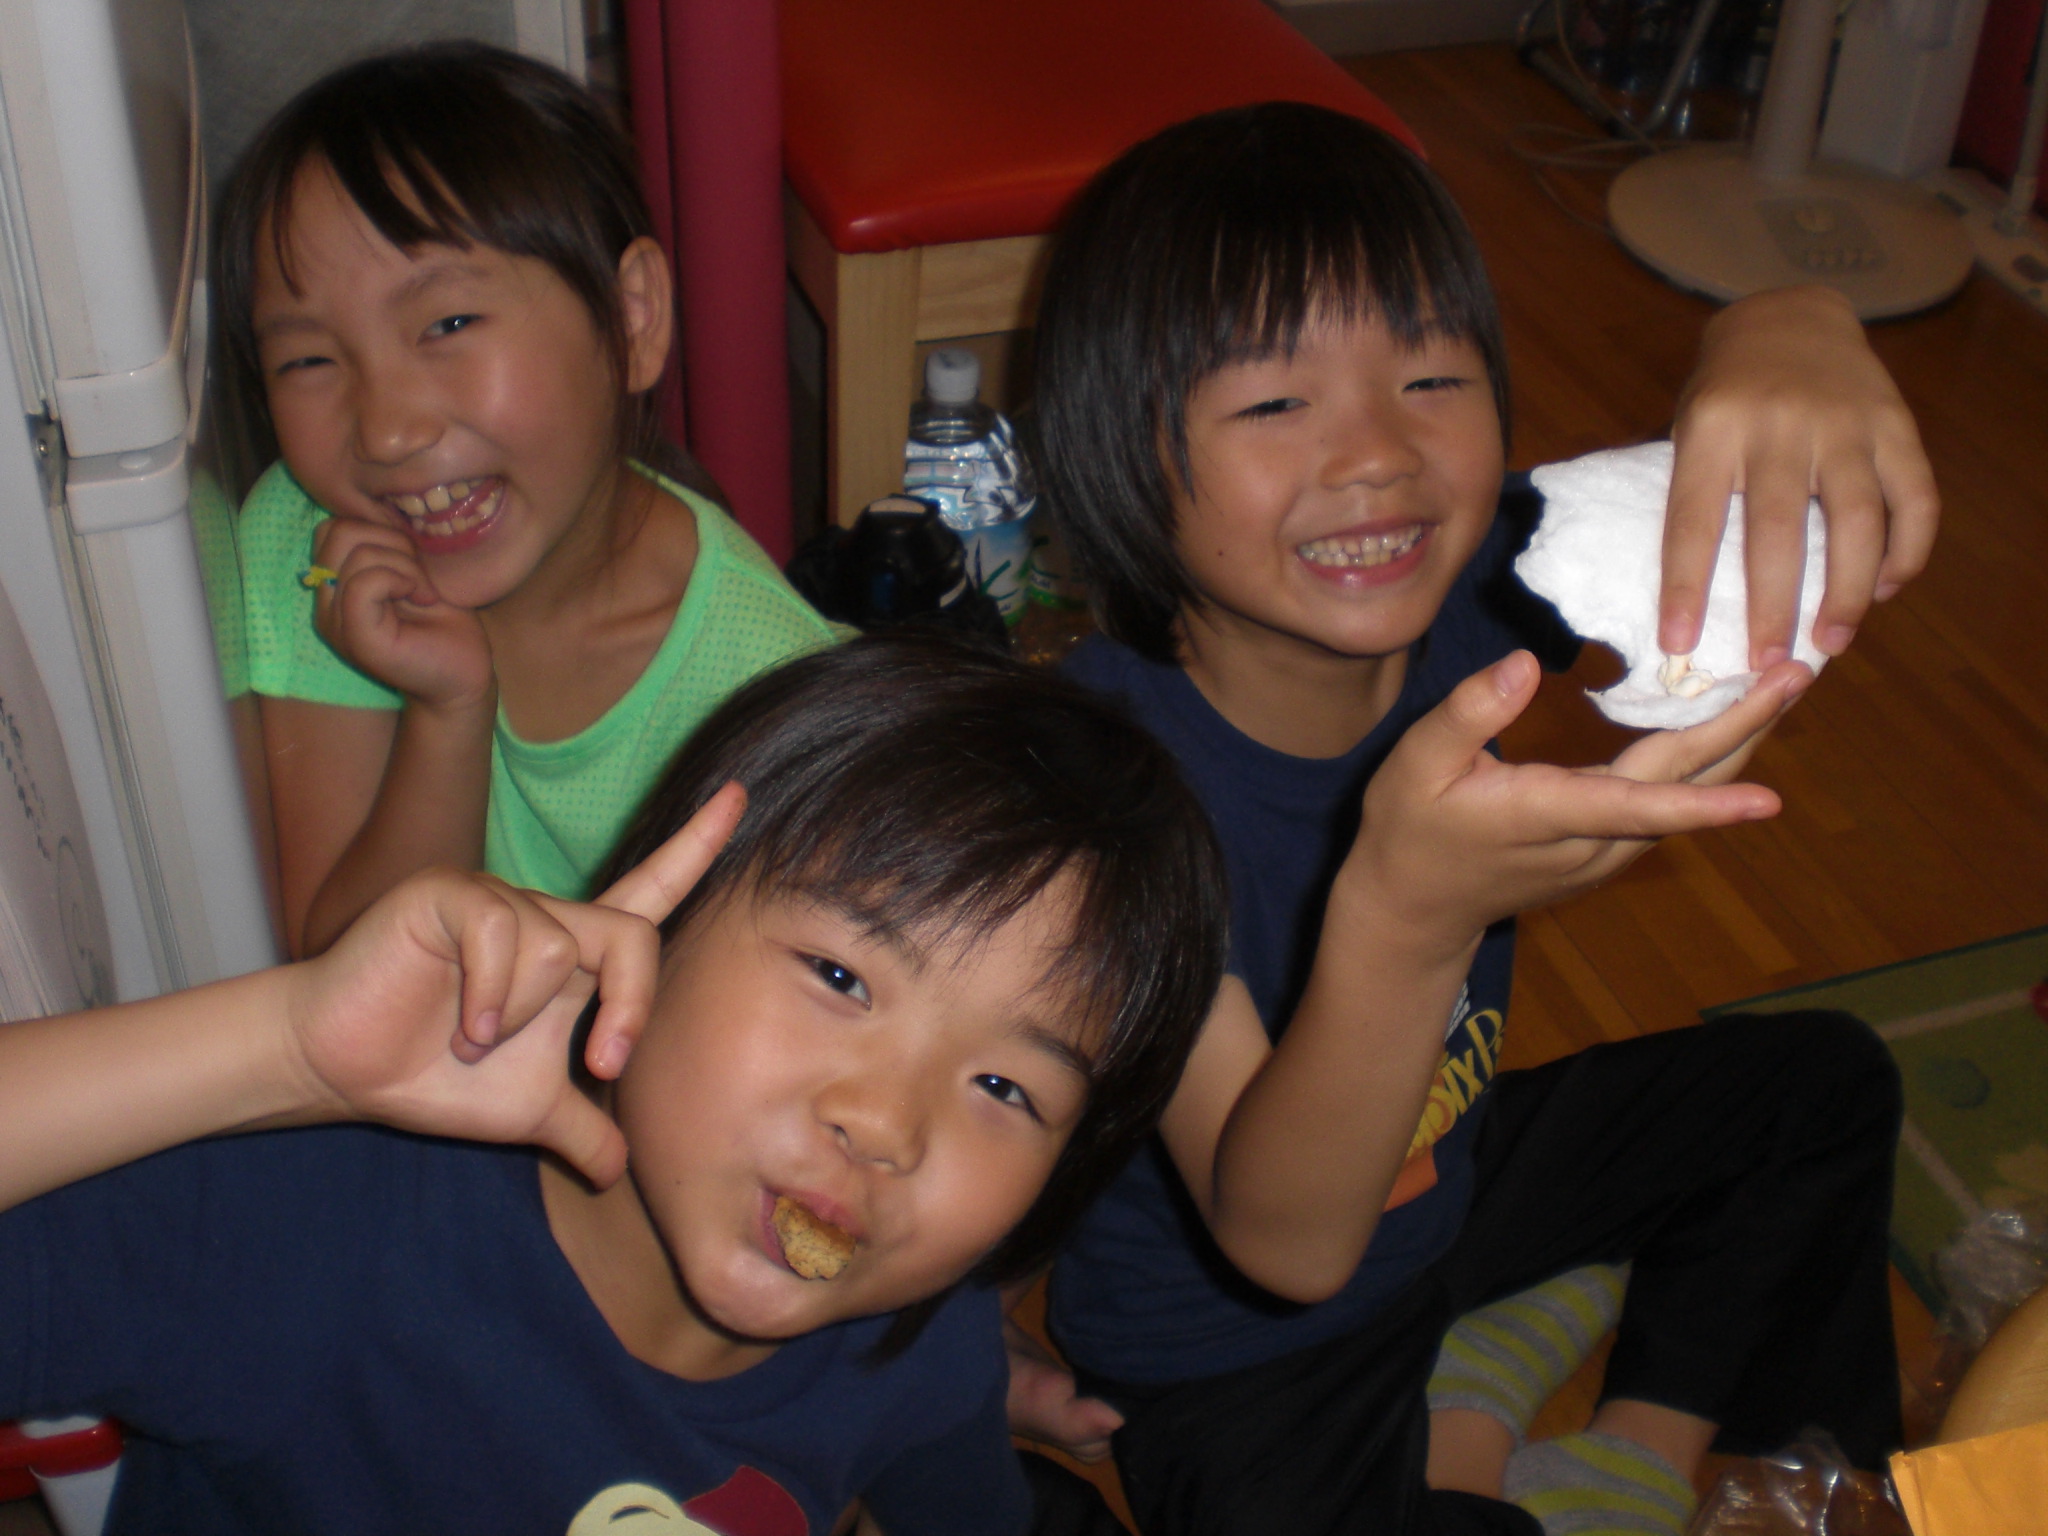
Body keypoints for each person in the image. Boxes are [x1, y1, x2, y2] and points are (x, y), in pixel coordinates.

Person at [1023, 103, 1920, 1535]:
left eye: (1431, 376)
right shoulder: (1094, 796)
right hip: (1239, 1353)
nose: (1378, 452)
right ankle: (1487, 1404)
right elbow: (1283, 1242)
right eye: (1273, 405)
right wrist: (1406, 919)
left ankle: (1633, 1439)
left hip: (1447, 1181)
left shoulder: (1487, 578)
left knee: (1820, 1089)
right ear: (1121, 452)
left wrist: (1784, 322)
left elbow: (1739, 492)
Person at [0, 635, 1228, 1536]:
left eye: (1006, 1088)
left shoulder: (920, 1347)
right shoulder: (318, 1236)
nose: (884, 1125)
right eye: (840, 977)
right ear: (656, 926)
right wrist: (284, 1048)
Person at [218, 43, 840, 957]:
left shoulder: (763, 703)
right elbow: (343, 972)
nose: (385, 431)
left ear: (631, 317)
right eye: (308, 359)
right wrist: (449, 715)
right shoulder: (317, 544)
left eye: (448, 323)